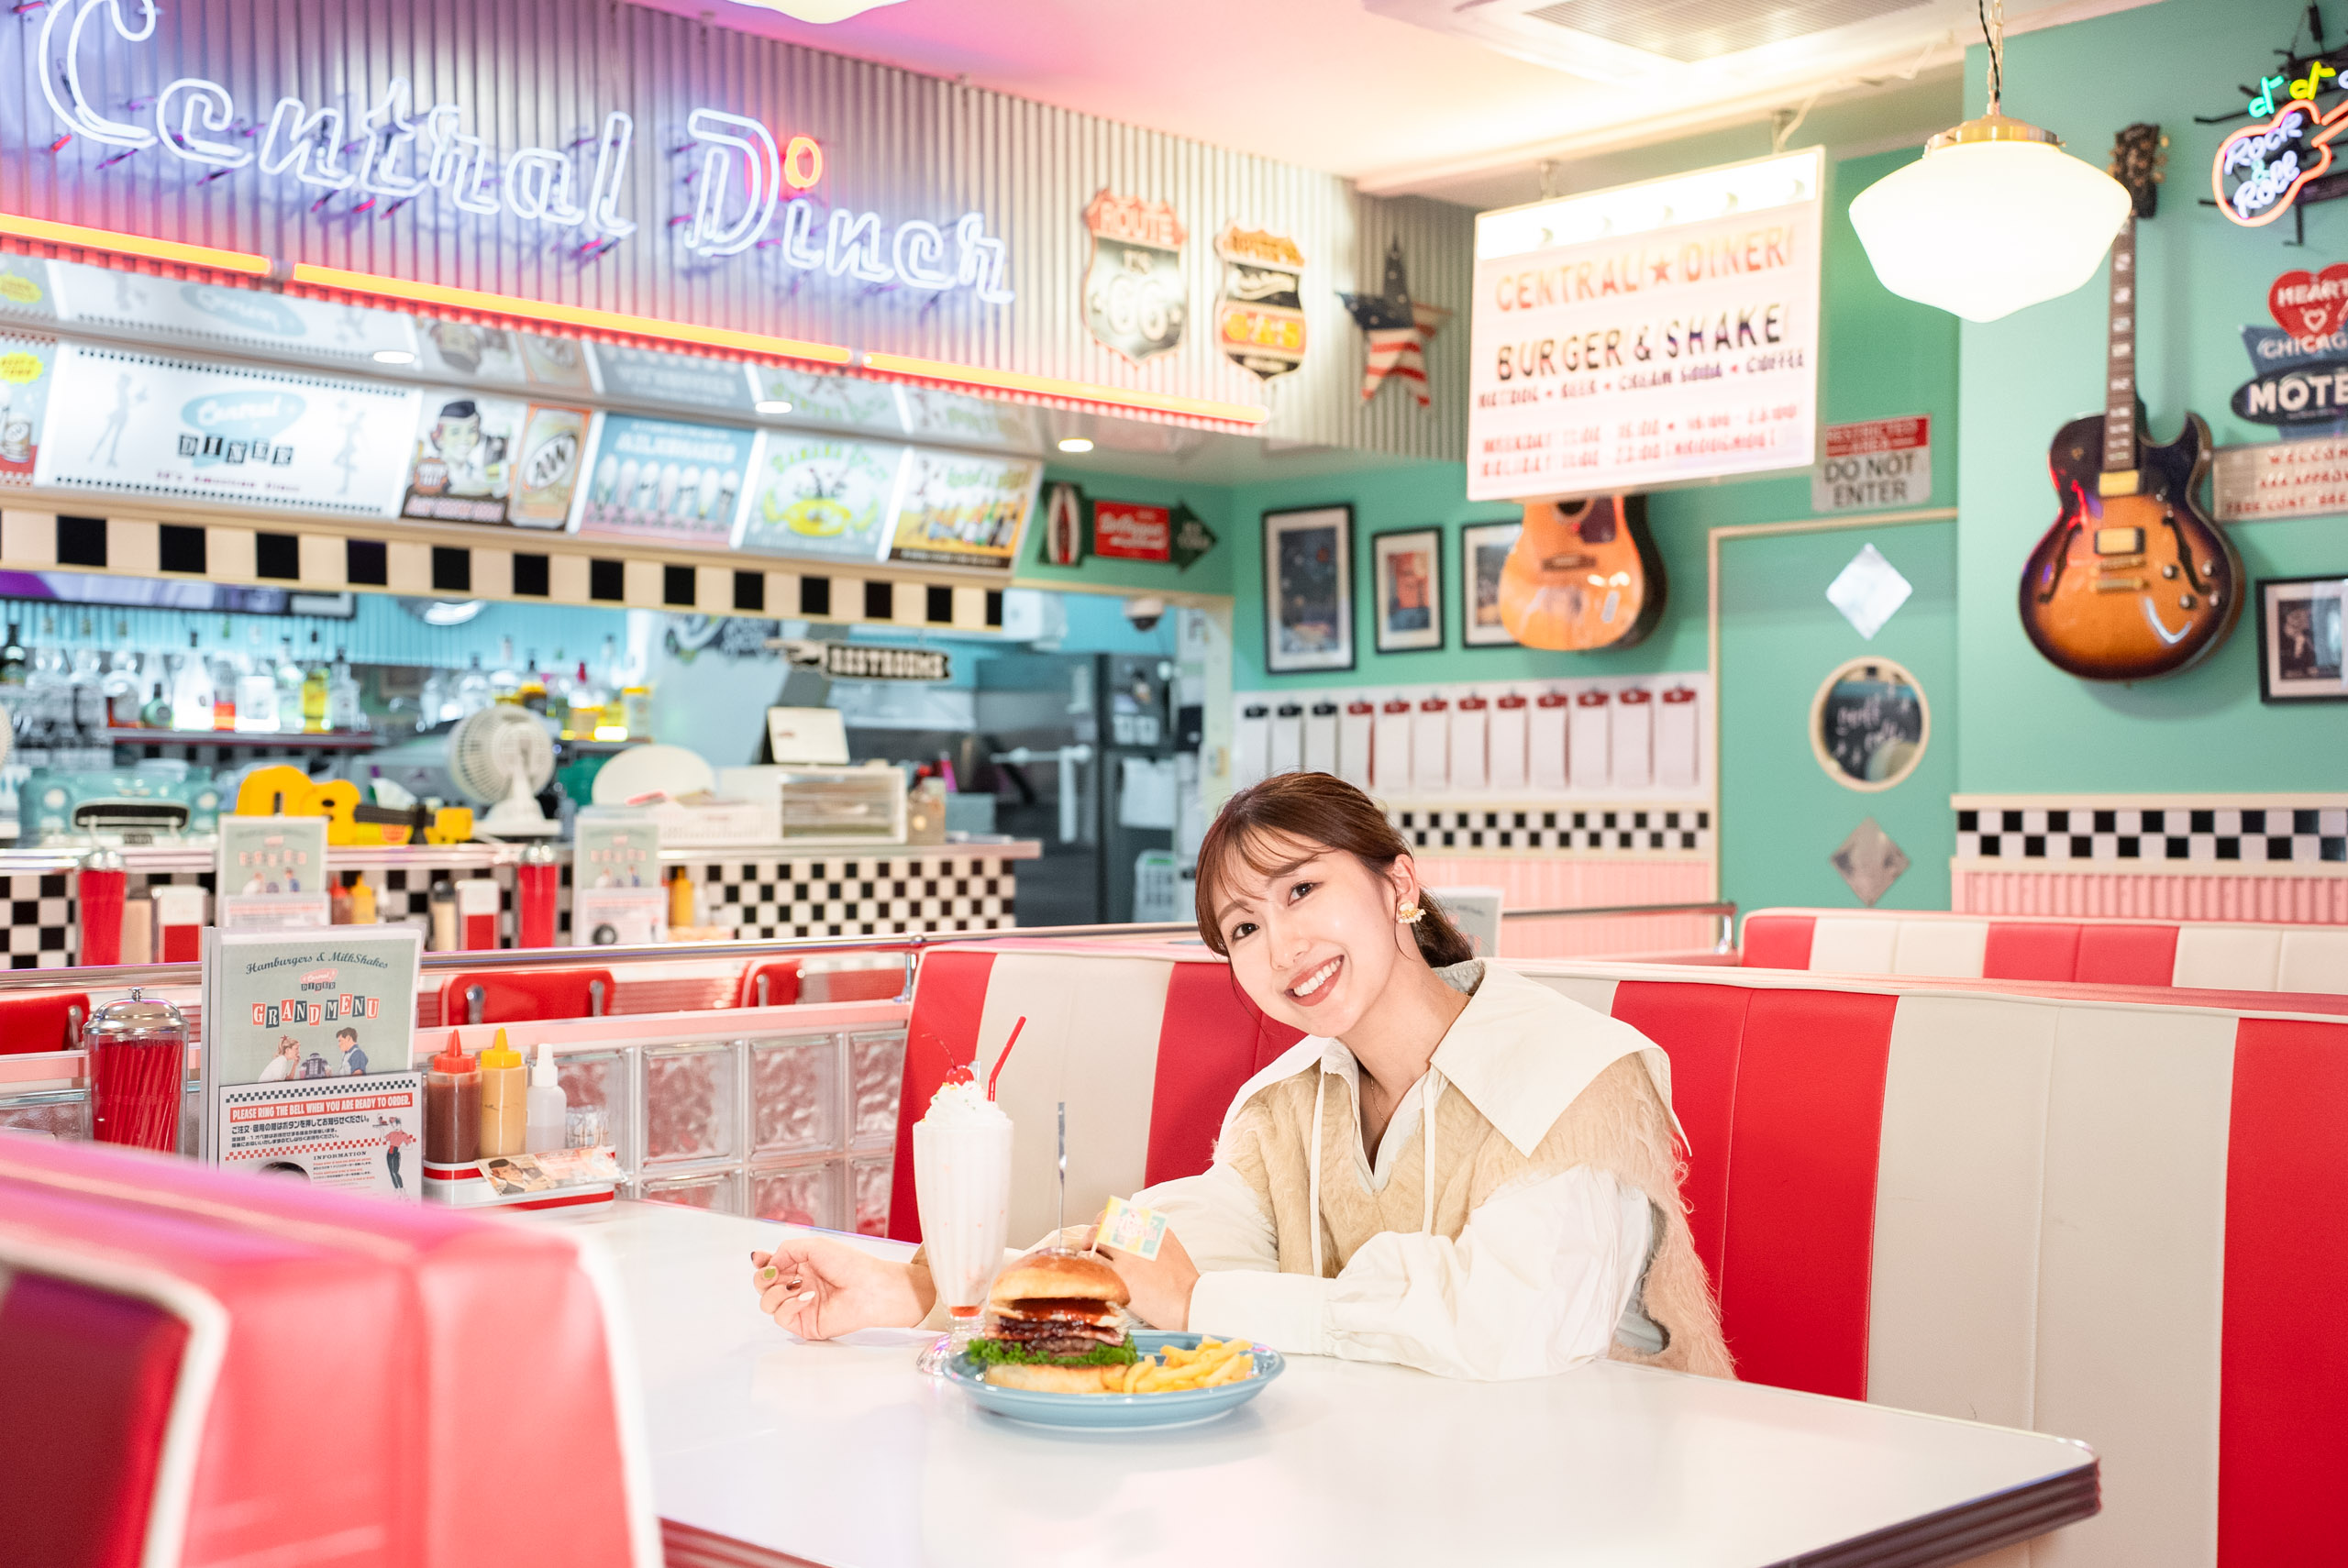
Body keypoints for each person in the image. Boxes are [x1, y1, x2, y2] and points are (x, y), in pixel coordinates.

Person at [749, 772, 1733, 1382]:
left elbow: (1507, 1325)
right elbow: (1150, 1246)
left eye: (1303, 889)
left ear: (1397, 883)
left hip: (1608, 1498)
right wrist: (919, 1290)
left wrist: (1204, 1306)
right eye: (1246, 928)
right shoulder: (1288, 1101)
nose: (1283, 946)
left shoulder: (1576, 1073)